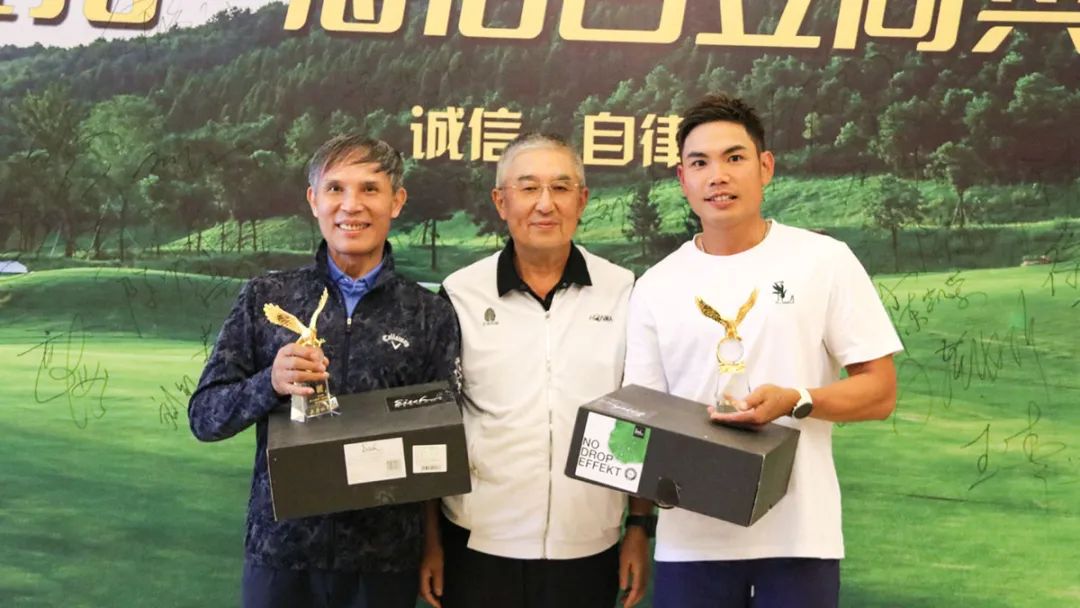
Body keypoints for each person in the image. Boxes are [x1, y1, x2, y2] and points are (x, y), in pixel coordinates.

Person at [623, 94, 902, 608]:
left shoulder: (824, 261)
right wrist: (638, 526)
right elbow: (642, 418)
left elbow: (880, 392)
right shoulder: (655, 285)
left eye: (734, 158)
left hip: (799, 537)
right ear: (682, 179)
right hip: (691, 543)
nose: (718, 176)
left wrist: (797, 400)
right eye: (699, 163)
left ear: (765, 167)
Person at [188, 135, 460, 608]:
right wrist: (269, 383)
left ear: (397, 201)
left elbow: (438, 442)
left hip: (384, 561)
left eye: (370, 189)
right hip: (281, 555)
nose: (351, 205)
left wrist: (432, 545)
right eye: (335, 188)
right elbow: (205, 418)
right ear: (314, 200)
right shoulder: (267, 298)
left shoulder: (428, 313)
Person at [421, 133, 650, 608]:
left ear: (582, 200)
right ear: (500, 202)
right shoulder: (460, 295)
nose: (545, 204)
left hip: (590, 544)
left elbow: (641, 415)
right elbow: (433, 423)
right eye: (528, 188)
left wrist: (639, 526)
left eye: (561, 188)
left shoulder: (624, 291)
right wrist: (431, 541)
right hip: (478, 542)